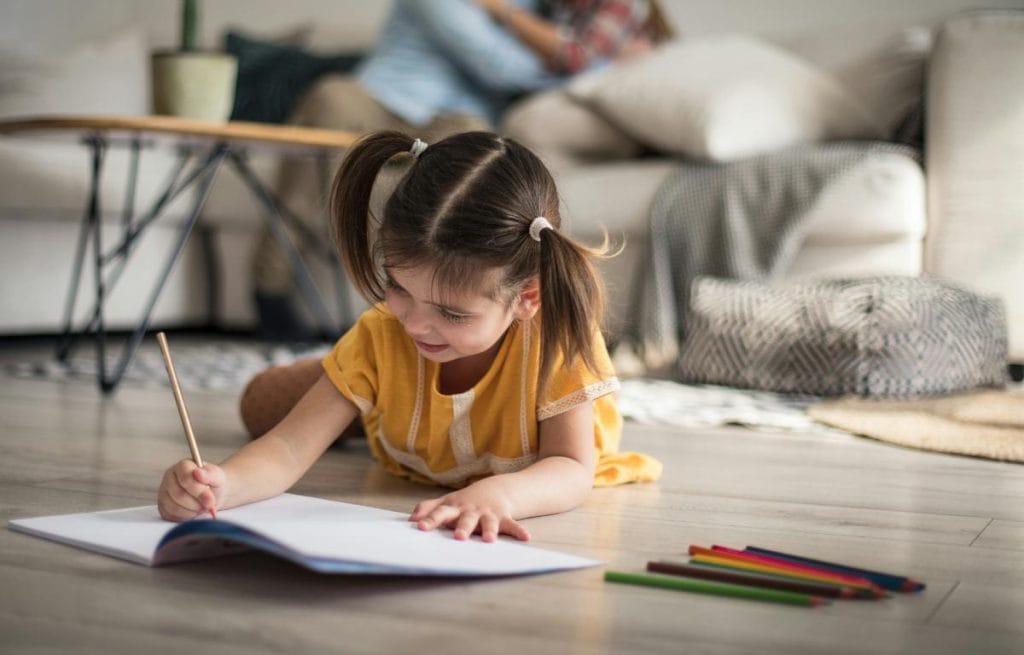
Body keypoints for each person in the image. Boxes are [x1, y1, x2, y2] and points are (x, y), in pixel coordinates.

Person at [160, 130, 662, 540]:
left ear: (527, 296)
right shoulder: (386, 330)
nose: (416, 324)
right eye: (398, 288)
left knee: (333, 390)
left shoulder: (559, 341)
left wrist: (500, 495)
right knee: (260, 406)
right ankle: (349, 391)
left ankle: (353, 396)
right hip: (402, 426)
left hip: (420, 424)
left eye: (451, 313)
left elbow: (569, 467)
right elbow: (288, 450)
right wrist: (220, 485)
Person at [254, 0, 665, 340]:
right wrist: (593, 63)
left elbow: (552, 57)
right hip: (380, 98)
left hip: (456, 118)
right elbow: (496, 63)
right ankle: (271, 283)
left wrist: (587, 59)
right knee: (331, 99)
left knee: (471, 146)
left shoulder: (535, 11)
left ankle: (404, 296)